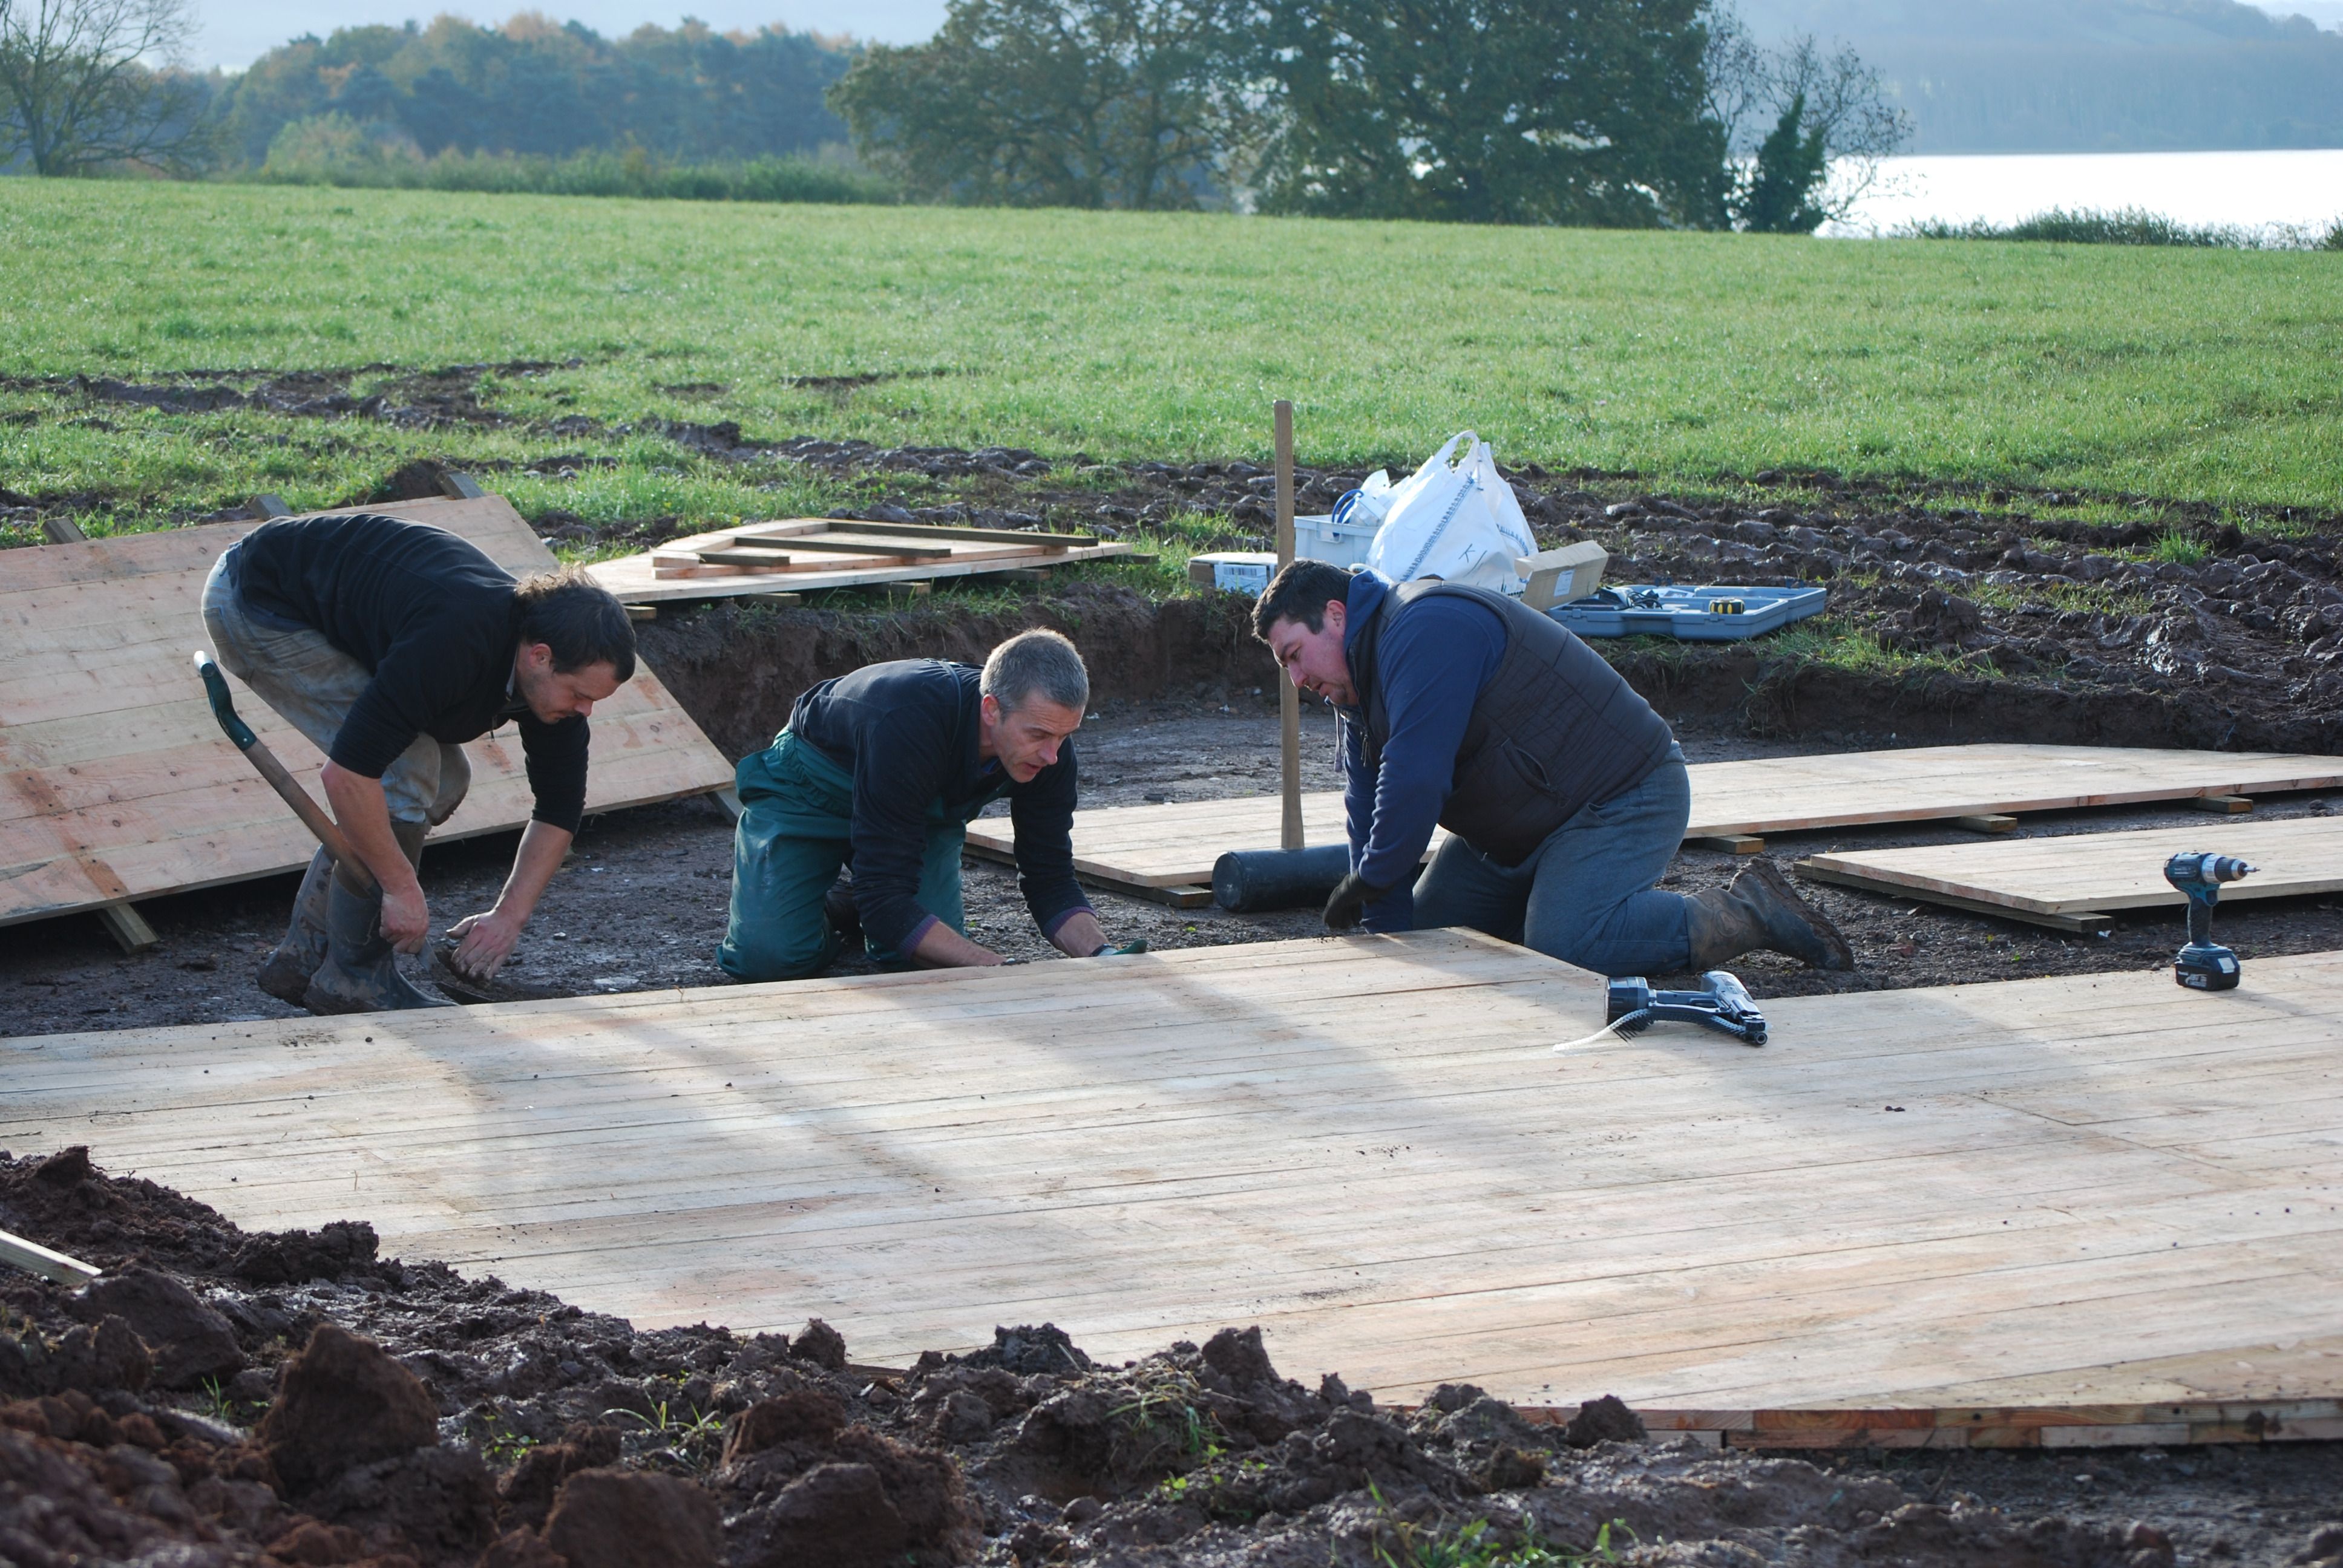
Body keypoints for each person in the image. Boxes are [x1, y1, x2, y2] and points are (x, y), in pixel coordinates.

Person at [1251, 559, 1853, 976]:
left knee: (1568, 944)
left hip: (1618, 798)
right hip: (1515, 836)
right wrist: (1382, 929)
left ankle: (1745, 911)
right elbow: (1368, 805)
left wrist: (1374, 877)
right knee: (1428, 939)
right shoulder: (1357, 688)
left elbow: (1414, 777)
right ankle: (1551, 903)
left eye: (1294, 657)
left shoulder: (1424, 629)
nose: (1299, 681)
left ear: (1335, 616)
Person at [201, 511, 637, 1013]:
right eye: (580, 695)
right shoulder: (457, 639)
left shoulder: (550, 680)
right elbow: (347, 776)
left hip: (319, 598)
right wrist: (401, 887)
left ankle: (304, 953)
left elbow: (560, 808)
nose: (583, 712)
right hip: (259, 601)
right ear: (540, 656)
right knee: (403, 775)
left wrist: (507, 918)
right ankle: (355, 978)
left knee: (447, 778)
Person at [719, 629, 1127, 981]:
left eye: (1064, 736)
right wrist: (999, 971)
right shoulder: (909, 720)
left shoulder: (1050, 750)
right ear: (992, 710)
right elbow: (886, 903)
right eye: (1038, 735)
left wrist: (1102, 956)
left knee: (918, 955)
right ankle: (825, 906)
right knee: (768, 959)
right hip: (812, 789)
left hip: (914, 810)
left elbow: (1050, 877)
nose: (1052, 755)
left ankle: (855, 900)